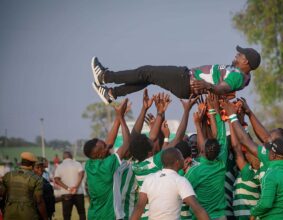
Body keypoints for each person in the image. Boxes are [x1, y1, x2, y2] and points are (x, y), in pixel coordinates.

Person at [91, 46, 261, 104]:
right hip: (185, 82)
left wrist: (208, 86)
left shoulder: (238, 76)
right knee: (148, 78)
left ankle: (105, 76)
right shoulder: (241, 75)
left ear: (246, 62)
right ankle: (111, 94)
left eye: (241, 54)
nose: (237, 55)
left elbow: (223, 88)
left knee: (146, 71)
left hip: (186, 81)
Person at [84, 98, 132, 220]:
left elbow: (108, 143)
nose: (108, 145)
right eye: (104, 147)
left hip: (93, 216)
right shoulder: (107, 166)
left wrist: (118, 116)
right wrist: (121, 118)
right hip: (109, 216)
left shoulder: (89, 164)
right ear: (100, 154)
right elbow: (127, 143)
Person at [130, 148, 209, 220]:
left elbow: (139, 208)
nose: (183, 159)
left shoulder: (150, 178)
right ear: (177, 162)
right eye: (182, 158)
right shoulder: (180, 181)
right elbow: (197, 209)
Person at [0, 152, 47, 220]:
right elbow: (39, 201)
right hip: (28, 215)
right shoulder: (37, 179)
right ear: (33, 164)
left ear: (21, 162)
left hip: (9, 214)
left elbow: (2, 195)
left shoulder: (8, 176)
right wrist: (45, 218)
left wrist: (4, 211)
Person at [54, 151, 86, 220]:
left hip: (66, 194)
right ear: (71, 156)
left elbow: (56, 179)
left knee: (67, 216)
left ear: (63, 158)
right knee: (82, 213)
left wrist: (68, 188)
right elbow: (82, 173)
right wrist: (76, 187)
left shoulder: (60, 166)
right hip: (78, 193)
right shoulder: (77, 163)